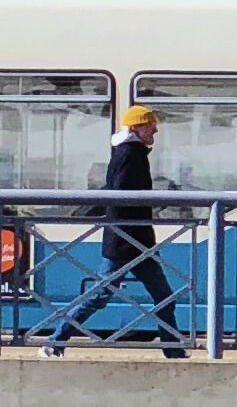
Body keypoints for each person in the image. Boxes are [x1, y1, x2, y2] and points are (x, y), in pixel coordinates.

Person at [43, 104, 186, 357]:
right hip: (126, 243)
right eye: (149, 125)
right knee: (101, 296)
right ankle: (56, 341)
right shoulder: (130, 154)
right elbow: (120, 195)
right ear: (137, 128)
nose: (155, 129)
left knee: (162, 296)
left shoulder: (132, 152)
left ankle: (173, 349)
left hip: (136, 241)